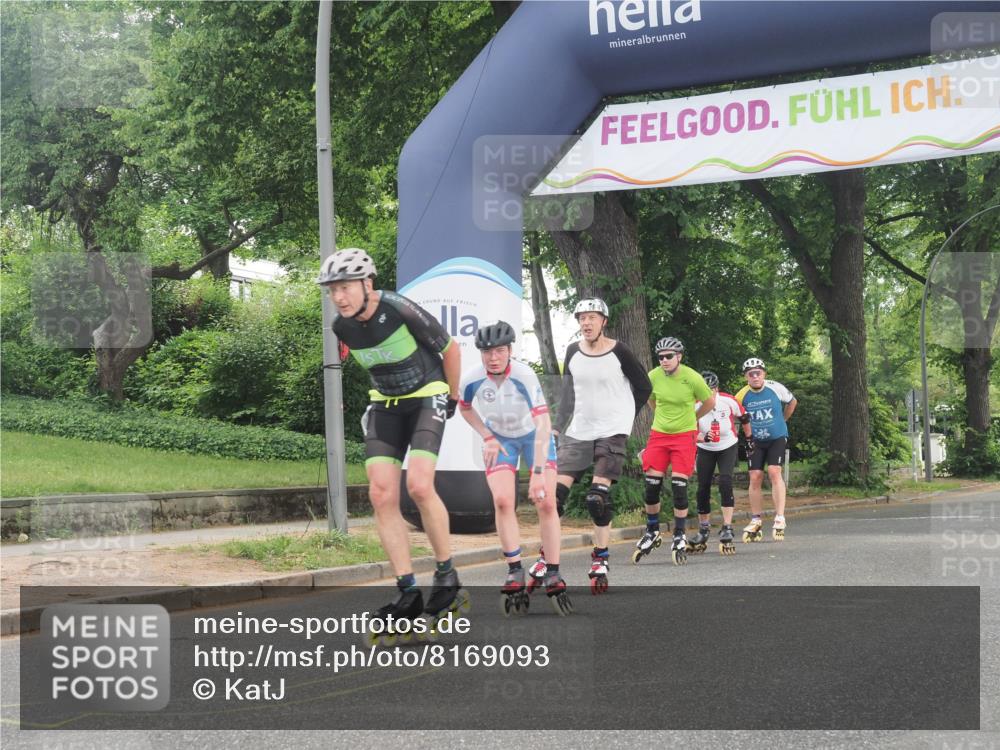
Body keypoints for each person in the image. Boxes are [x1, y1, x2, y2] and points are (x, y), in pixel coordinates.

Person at [318, 248, 466, 631]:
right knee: (381, 493)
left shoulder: (399, 308)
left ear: (368, 283)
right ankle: (407, 590)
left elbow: (450, 349)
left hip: (426, 394)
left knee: (418, 485)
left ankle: (446, 574)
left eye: (345, 287)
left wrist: (451, 396)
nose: (339, 297)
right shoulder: (341, 327)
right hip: (385, 403)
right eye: (333, 290)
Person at [531, 298, 650, 595]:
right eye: (582, 318)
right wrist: (557, 426)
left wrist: (626, 418)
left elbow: (644, 386)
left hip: (612, 432)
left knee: (597, 497)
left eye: (592, 317)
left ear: (604, 321)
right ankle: (546, 557)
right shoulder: (572, 351)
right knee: (553, 498)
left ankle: (600, 558)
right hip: (579, 430)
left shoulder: (619, 351)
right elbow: (569, 394)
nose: (586, 323)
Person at [459, 321, 571, 616]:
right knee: (502, 500)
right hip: (501, 440)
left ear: (509, 350)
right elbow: (464, 408)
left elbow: (544, 423)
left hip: (535, 436)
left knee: (546, 502)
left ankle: (554, 571)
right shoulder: (471, 379)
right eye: (486, 352)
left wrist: (536, 473)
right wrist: (486, 436)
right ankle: (514, 570)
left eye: (499, 351)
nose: (493, 357)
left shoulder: (524, 374)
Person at [634, 337, 715, 566]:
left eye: (669, 356)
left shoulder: (692, 377)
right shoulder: (653, 376)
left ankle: (679, 534)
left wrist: (693, 418)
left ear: (679, 356)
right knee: (651, 487)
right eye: (660, 357)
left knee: (679, 487)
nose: (664, 361)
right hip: (659, 435)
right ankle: (652, 531)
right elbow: (651, 399)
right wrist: (661, 415)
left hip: (684, 436)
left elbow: (709, 402)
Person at [735, 357, 798, 542]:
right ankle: (756, 519)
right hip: (755, 440)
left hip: (776, 437)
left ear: (764, 374)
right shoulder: (741, 395)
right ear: (746, 376)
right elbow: (735, 417)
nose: (755, 376)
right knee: (755, 476)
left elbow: (793, 401)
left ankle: (779, 517)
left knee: (773, 471)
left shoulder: (775, 387)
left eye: (758, 373)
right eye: (750, 374)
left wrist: (783, 420)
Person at [692, 371, 747, 556]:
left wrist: (751, 439)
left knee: (725, 482)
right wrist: (702, 437)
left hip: (727, 445)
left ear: (717, 388)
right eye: (704, 390)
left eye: (712, 389)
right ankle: (703, 528)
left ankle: (727, 526)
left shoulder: (728, 400)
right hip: (706, 447)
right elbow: (687, 429)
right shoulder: (694, 403)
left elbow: (744, 417)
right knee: (703, 487)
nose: (709, 393)